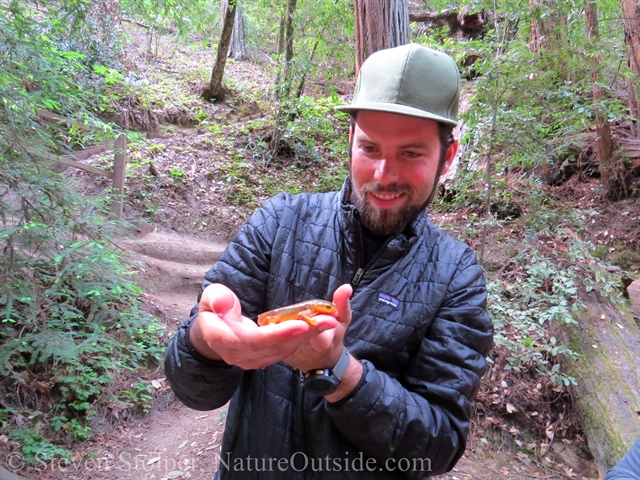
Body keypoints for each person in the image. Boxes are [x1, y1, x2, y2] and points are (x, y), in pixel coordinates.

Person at [164, 43, 494, 479]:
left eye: (410, 154)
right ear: (350, 139)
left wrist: (339, 372)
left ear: (446, 158)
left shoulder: (457, 276)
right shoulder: (279, 221)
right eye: (370, 149)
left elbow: (439, 445)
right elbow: (194, 390)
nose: (384, 175)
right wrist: (206, 344)